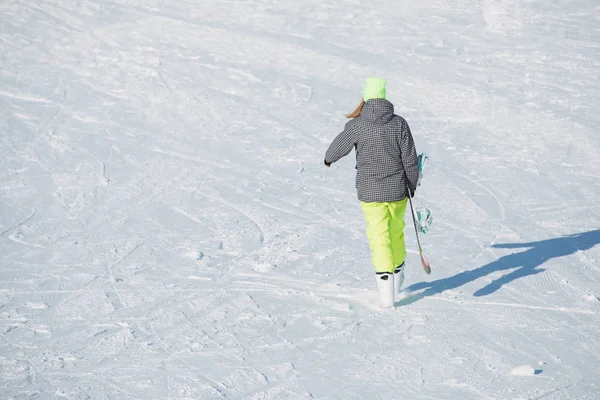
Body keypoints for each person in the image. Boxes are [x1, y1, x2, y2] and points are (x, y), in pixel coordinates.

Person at [324, 77, 419, 308]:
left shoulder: (357, 125)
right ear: (384, 97)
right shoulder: (399, 124)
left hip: (370, 191)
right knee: (396, 233)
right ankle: (397, 280)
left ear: (365, 97)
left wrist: (328, 160)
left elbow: (338, 147)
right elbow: (409, 159)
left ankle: (387, 295)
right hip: (397, 191)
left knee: (379, 238)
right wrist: (412, 184)